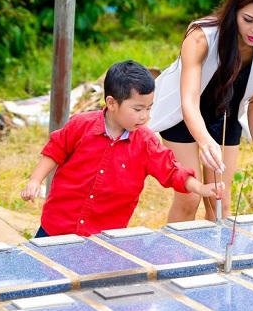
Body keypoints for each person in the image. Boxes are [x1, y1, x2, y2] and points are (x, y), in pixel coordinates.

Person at [21, 60, 224, 237]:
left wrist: (201, 188)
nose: (145, 116)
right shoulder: (80, 124)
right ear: (111, 103)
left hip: (103, 236)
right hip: (56, 227)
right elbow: (55, 150)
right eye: (138, 109)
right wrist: (35, 180)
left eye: (149, 108)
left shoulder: (146, 142)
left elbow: (172, 171)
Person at [149, 0, 253, 222]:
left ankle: (215, 249)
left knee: (220, 204)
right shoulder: (201, 37)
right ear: (234, 10)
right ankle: (176, 249)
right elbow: (189, 102)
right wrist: (204, 141)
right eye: (248, 19)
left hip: (226, 118)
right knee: (189, 197)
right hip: (182, 115)